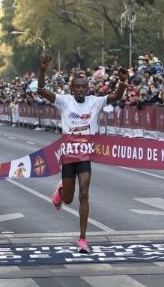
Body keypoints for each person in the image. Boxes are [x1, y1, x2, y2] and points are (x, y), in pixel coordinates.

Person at [36, 54, 128, 254]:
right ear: (71, 88)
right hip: (68, 155)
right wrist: (43, 69)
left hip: (85, 154)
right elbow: (41, 90)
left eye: (83, 86)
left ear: (87, 88)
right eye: (76, 87)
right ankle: (61, 191)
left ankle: (83, 239)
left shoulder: (94, 102)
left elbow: (117, 97)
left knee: (84, 193)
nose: (80, 90)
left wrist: (122, 81)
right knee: (69, 199)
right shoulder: (64, 101)